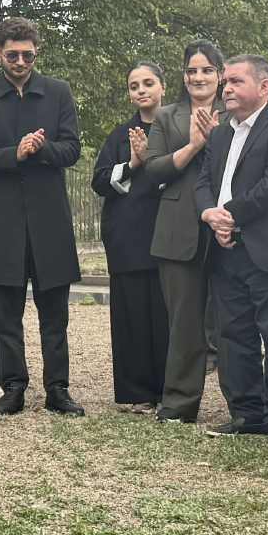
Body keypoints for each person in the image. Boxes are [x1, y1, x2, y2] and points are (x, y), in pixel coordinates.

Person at [0, 17, 84, 418]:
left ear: (37, 52)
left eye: (27, 54)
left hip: (49, 219)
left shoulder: (57, 92)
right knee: (5, 315)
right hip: (1, 221)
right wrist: (13, 154)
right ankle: (13, 386)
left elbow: (72, 149)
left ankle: (58, 389)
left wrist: (41, 149)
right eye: (12, 54)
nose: (20, 61)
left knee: (55, 314)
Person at [195, 55, 268, 437]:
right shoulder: (219, 133)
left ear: (263, 87)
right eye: (225, 81)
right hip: (224, 248)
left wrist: (229, 215)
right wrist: (210, 215)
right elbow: (201, 183)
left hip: (267, 247)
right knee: (233, 335)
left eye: (235, 81)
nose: (226, 88)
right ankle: (247, 415)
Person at [144, 41, 225, 424]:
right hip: (178, 228)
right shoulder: (167, 116)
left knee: (231, 320)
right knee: (184, 322)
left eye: (206, 70)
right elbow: (154, 169)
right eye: (192, 71)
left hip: (227, 226)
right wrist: (193, 146)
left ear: (220, 75)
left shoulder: (235, 112)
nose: (198, 77)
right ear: (183, 77)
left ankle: (245, 405)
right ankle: (178, 403)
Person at [91, 61, 168, 410]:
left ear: (163, 87)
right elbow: (99, 180)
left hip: (169, 233)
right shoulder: (120, 135)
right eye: (134, 85)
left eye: (148, 82)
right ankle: (136, 393)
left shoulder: (178, 129)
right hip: (128, 236)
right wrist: (134, 164)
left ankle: (171, 390)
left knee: (166, 315)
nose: (141, 90)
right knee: (132, 315)